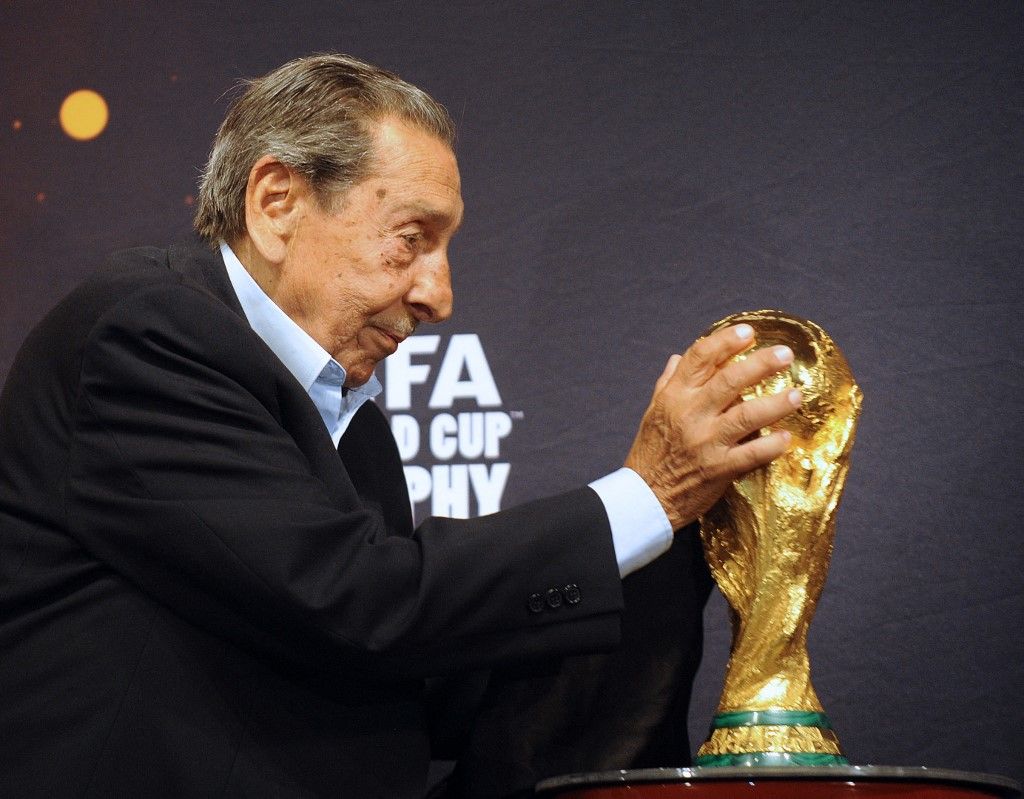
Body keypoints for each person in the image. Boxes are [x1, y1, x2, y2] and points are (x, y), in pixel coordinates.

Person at [0, 54, 801, 798]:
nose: (438, 296)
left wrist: (671, 538)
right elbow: (354, 600)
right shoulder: (147, 334)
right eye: (411, 240)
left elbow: (411, 675)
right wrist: (646, 496)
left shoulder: (353, 425)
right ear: (277, 203)